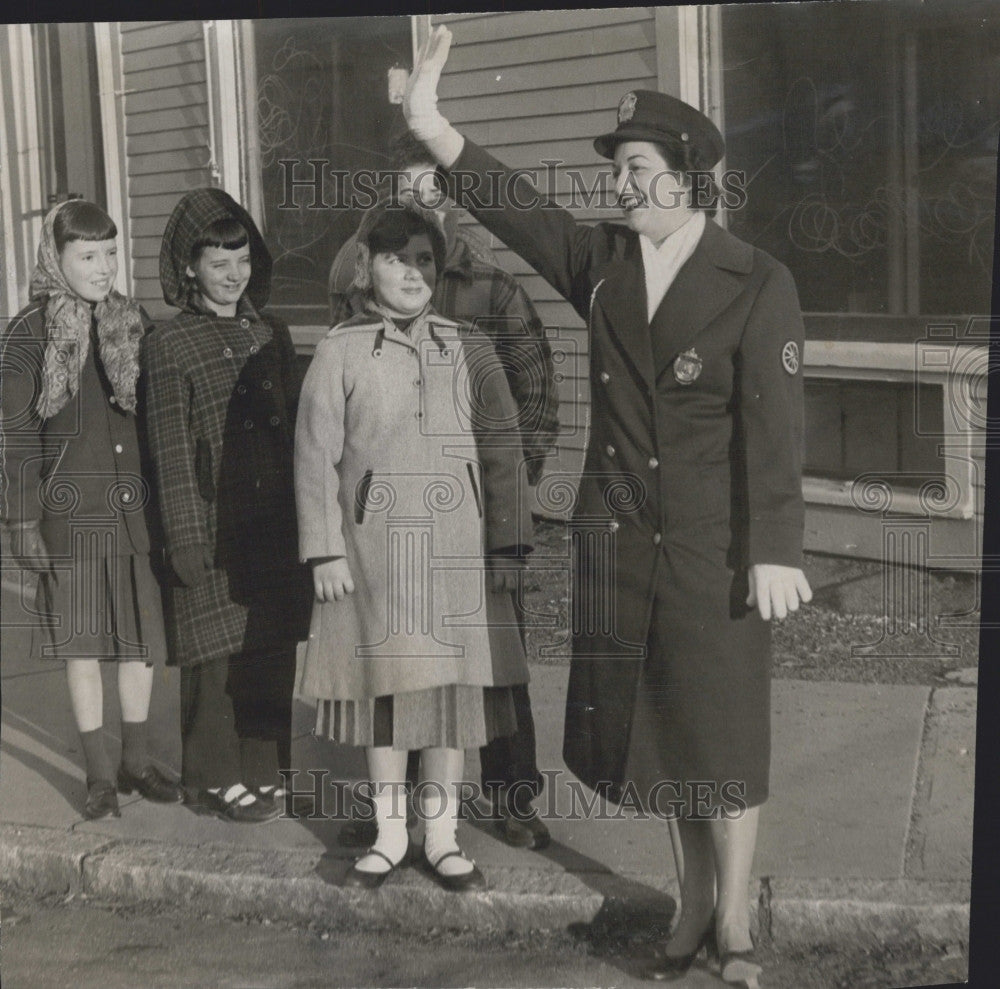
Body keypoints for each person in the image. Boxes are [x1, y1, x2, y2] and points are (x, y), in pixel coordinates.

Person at [403, 26, 813, 987]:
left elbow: (777, 427)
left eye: (636, 166)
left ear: (686, 175)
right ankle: (691, 901)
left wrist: (778, 544)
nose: (622, 183)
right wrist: (433, 126)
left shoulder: (757, 280)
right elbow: (517, 209)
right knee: (667, 729)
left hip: (718, 550)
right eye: (620, 168)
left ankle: (738, 919)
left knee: (726, 730)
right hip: (625, 542)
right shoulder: (604, 267)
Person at [329, 130, 559, 849]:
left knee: (492, 653)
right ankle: (394, 807)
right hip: (389, 514)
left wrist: (505, 496)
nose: (419, 203)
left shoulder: (491, 285)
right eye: (405, 191)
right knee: (391, 653)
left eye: (433, 189)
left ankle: (512, 792)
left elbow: (536, 394)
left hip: (473, 511)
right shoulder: (365, 281)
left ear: (453, 200)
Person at [295, 197, 532, 891]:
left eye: (424, 259)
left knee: (450, 706)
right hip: (374, 558)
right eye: (396, 259)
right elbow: (314, 455)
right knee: (387, 701)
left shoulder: (468, 345)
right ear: (366, 268)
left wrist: (508, 546)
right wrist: (325, 548)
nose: (412, 272)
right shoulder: (338, 350)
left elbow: (502, 447)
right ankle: (391, 833)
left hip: (454, 558)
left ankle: (443, 835)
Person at [0, 199, 184, 819]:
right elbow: (17, 434)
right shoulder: (28, 333)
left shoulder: (134, 323)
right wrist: (22, 520)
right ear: (57, 258)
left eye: (110, 253)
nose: (104, 267)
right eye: (88, 256)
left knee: (137, 642)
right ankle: (99, 773)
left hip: (134, 508)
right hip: (67, 515)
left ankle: (135, 759)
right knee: (81, 643)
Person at [144, 189, 311, 824]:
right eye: (219, 263)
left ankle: (265, 769)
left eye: (241, 260)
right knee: (214, 658)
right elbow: (167, 445)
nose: (233, 275)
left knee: (267, 647)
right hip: (210, 523)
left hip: (274, 518)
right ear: (189, 268)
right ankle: (213, 777)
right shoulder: (170, 344)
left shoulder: (272, 331)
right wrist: (184, 537)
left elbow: (296, 427)